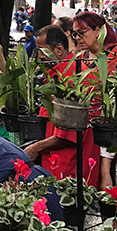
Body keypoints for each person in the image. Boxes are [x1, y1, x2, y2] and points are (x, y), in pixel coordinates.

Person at [23, 25, 101, 187]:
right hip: (58, 159)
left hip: (70, 164)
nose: (39, 56)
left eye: (41, 50)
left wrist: (35, 148)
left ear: (58, 49)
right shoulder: (58, 73)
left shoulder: (74, 76)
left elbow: (68, 135)